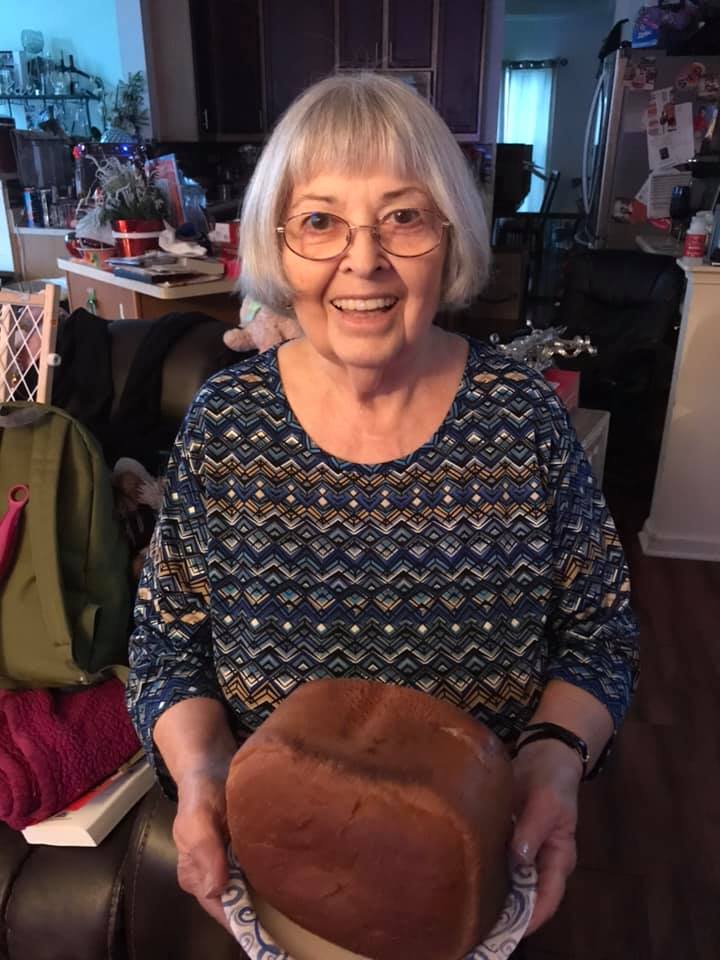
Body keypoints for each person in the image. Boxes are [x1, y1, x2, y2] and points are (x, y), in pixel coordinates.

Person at [126, 73, 639, 944]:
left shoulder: (520, 421)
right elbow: (167, 643)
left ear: (449, 237)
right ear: (279, 247)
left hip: (473, 875)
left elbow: (601, 631)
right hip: (281, 874)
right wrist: (203, 775)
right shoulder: (228, 424)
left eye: (402, 216)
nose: (362, 261)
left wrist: (554, 762)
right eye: (320, 221)